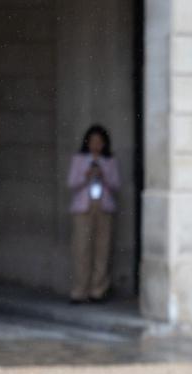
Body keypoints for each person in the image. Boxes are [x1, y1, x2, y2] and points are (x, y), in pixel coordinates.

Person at [67, 125, 120, 304]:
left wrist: (104, 175)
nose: (96, 145)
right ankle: (79, 290)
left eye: (99, 142)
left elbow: (116, 185)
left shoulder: (109, 161)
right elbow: (72, 183)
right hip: (84, 206)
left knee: (102, 249)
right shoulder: (79, 160)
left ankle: (98, 290)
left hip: (103, 206)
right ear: (87, 143)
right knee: (82, 248)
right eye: (93, 141)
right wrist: (86, 175)